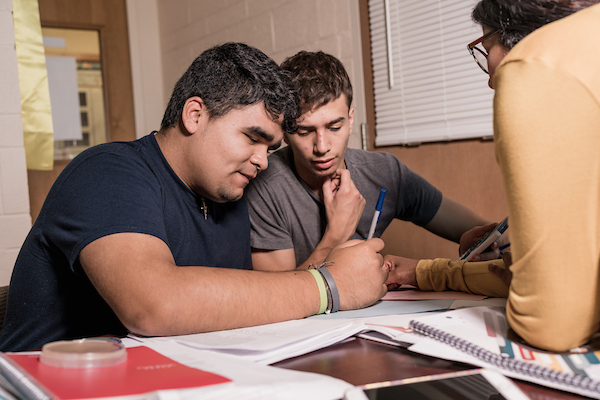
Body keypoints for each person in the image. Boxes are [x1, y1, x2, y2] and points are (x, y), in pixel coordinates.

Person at [0, 43, 389, 352]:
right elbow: (153, 306)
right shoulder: (107, 172)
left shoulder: (230, 199)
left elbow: (245, 305)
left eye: (269, 148)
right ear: (195, 115)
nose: (262, 162)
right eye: (252, 138)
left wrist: (332, 260)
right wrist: (330, 286)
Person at [244, 51, 500, 278]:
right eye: (304, 131)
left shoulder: (384, 172)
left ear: (351, 119)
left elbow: (481, 233)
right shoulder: (264, 184)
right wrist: (336, 236)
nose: (322, 146)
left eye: (335, 127)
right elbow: (277, 298)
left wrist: (481, 245)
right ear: (285, 131)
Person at [467, 0, 600, 352]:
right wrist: (426, 273)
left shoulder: (535, 61)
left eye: (485, 47)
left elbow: (551, 324)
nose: (493, 79)